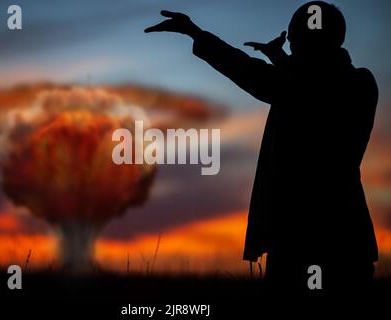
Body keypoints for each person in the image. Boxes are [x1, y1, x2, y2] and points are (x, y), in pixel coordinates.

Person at [145, 1, 378, 291]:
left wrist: (195, 33)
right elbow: (309, 80)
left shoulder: (325, 85)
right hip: (343, 241)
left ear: (314, 40)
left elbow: (266, 77)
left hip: (304, 240)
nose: (290, 40)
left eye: (296, 35)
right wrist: (280, 57)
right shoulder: (360, 83)